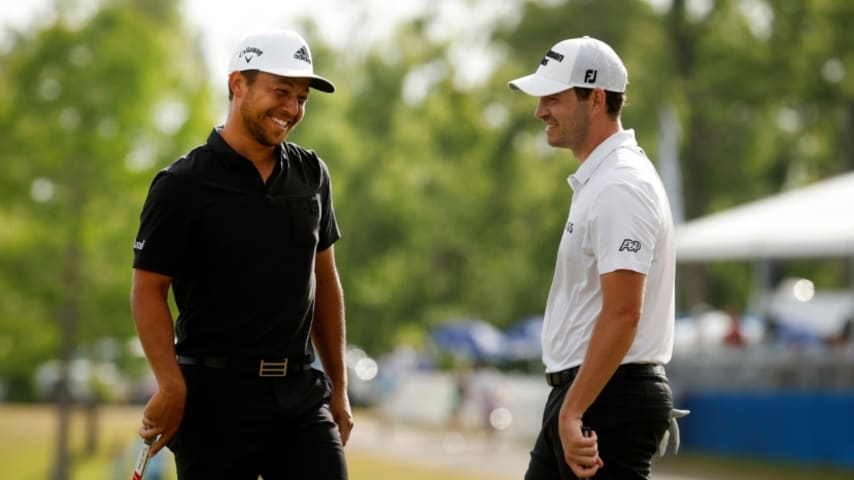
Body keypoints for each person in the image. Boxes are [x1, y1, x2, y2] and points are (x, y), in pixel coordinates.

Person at [130, 30, 352, 479]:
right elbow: (148, 290)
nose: (292, 109)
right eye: (281, 92)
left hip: (300, 396)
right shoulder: (182, 184)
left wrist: (340, 389)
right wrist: (171, 385)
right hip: (213, 401)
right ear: (238, 85)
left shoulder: (312, 175)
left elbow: (325, 281)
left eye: (302, 97)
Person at [508, 36, 676, 479]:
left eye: (554, 98)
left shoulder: (621, 183)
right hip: (590, 395)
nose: (540, 111)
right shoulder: (604, 179)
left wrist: (573, 411)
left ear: (596, 98)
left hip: (604, 401)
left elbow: (624, 313)